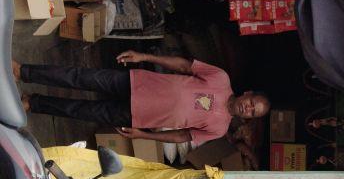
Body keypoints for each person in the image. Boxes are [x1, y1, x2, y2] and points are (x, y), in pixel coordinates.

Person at [12, 52, 271, 151]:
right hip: (137, 82)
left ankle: (33, 103)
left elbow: (182, 136)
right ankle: (23, 72)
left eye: (252, 112)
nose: (248, 108)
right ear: (248, 93)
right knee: (79, 77)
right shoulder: (221, 78)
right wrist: (144, 56)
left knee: (80, 110)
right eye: (252, 102)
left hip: (138, 116)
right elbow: (183, 65)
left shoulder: (220, 128)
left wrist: (144, 135)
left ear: (247, 118)